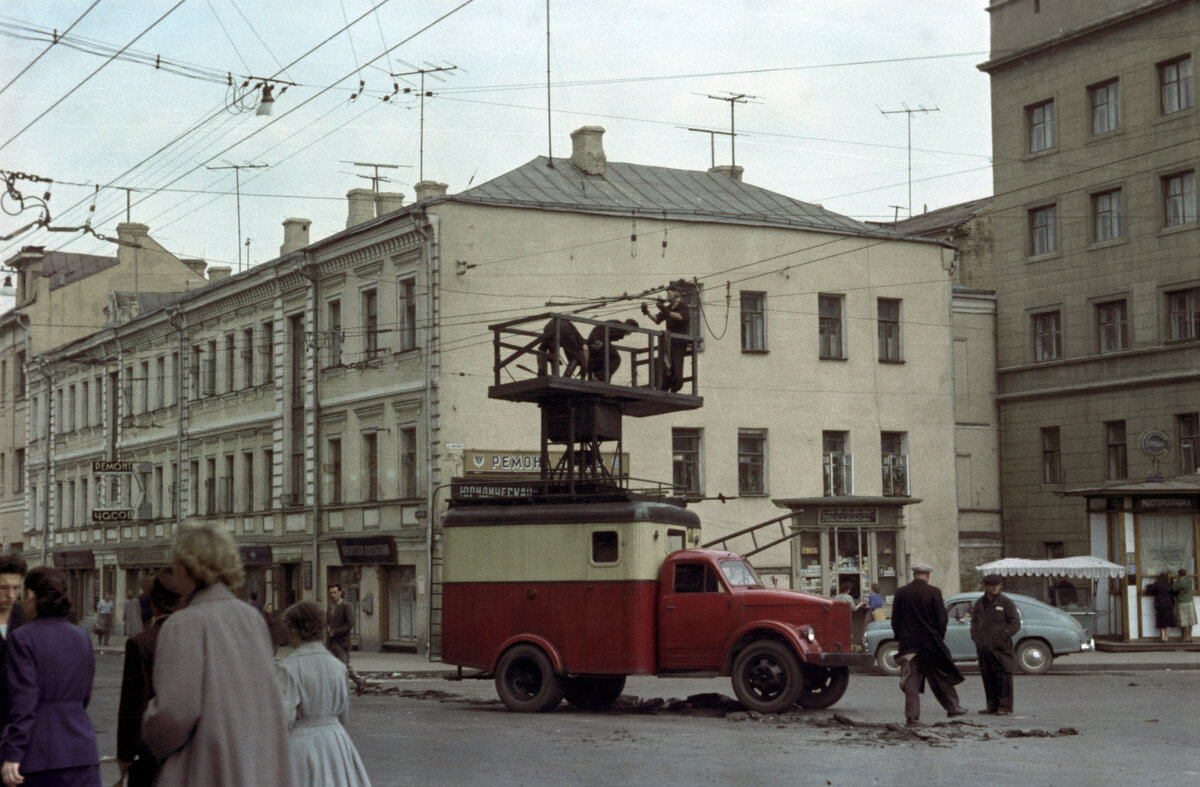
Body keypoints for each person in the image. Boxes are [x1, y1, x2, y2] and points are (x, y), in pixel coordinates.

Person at [142, 524, 292, 786]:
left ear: (187, 566)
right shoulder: (251, 618)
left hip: (204, 767)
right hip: (253, 766)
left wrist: (149, 732)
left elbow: (175, 713)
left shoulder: (183, 624)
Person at [0, 567, 101, 787]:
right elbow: (85, 695)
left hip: (39, 755)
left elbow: (24, 701)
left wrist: (13, 753)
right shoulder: (81, 636)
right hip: (81, 750)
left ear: (31, 596)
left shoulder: (22, 638)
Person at [277, 600, 372, 787]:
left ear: (294, 630)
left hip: (302, 746)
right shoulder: (337, 666)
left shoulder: (289, 668)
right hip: (335, 743)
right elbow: (343, 713)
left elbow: (284, 719)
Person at [117, 569, 182, 787]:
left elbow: (133, 704)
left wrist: (125, 754)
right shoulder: (194, 639)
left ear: (153, 604)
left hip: (150, 750)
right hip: (187, 750)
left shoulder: (140, 643)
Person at [891, 561, 967, 725]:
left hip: (909, 645)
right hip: (930, 644)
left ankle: (912, 716)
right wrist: (938, 637)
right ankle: (953, 708)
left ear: (914, 574)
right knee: (940, 675)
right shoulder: (934, 592)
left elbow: (895, 620)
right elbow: (941, 619)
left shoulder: (901, 592)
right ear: (927, 575)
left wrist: (902, 637)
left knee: (911, 679)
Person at [970, 574, 1020, 716]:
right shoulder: (979, 603)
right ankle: (991, 706)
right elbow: (974, 622)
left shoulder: (1006, 602)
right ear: (985, 586)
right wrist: (975, 636)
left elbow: (1014, 623)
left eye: (997, 585)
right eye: (992, 585)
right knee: (988, 677)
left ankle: (1004, 707)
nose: (995, 587)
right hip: (984, 647)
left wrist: (1003, 635)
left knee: (1003, 677)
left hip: (1000, 648)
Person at [641, 282, 690, 392]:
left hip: (679, 340)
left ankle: (675, 386)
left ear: (676, 293)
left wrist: (665, 310)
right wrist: (647, 312)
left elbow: (681, 317)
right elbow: (657, 320)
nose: (667, 295)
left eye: (669, 293)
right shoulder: (668, 307)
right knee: (665, 363)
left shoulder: (682, 306)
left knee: (676, 362)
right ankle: (664, 385)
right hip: (669, 340)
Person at [0, 554, 27, 731]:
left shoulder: (22, 615)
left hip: (15, 717)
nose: (11, 595)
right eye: (3, 588)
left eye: (16, 588)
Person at [327, 584, 368, 693]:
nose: (333, 595)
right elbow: (328, 621)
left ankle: (354, 684)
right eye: (331, 593)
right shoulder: (330, 606)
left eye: (335, 592)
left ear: (341, 592)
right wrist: (328, 629)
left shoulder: (345, 606)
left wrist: (336, 631)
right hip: (331, 642)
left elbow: (350, 623)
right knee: (332, 666)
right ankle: (356, 682)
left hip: (342, 642)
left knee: (343, 667)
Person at [1144, 571, 1177, 643]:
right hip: (1169, 604)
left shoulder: (1157, 583)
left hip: (1160, 604)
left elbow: (1149, 591)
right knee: (1168, 622)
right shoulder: (1169, 584)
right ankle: (1166, 637)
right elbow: (1175, 593)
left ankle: (1162, 637)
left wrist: (1150, 585)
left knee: (1161, 621)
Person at [1173, 569, 1195, 644]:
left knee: (1184, 620)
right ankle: (1190, 636)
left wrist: (1175, 581)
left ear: (1179, 575)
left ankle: (1185, 638)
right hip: (1190, 601)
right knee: (1190, 620)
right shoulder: (1190, 579)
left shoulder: (1180, 582)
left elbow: (1173, 588)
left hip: (1182, 602)